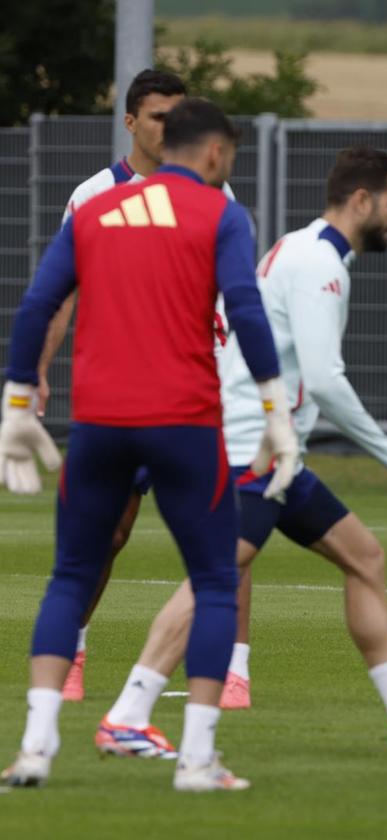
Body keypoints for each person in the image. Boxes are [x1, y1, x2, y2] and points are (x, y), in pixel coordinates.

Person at [94, 146, 387, 759]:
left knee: (365, 558)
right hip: (253, 452)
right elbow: (325, 378)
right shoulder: (319, 263)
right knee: (214, 579)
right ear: (362, 201)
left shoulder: (304, 248)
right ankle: (127, 713)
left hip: (279, 455)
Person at [1, 98, 298, 792]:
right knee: (216, 579)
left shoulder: (96, 210)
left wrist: (17, 401)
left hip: (100, 424)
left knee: (69, 577)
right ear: (216, 154)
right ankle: (196, 759)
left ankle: (35, 747)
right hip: (185, 423)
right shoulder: (221, 212)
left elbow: (37, 305)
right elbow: (245, 308)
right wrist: (274, 406)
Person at [39, 69, 247, 706]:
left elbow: (237, 299)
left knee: (231, 538)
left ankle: (233, 669)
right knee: (109, 532)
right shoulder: (95, 195)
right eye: (158, 115)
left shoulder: (218, 192)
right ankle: (71, 652)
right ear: (130, 122)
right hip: (124, 396)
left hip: (201, 395)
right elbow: (55, 299)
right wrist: (36, 376)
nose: (170, 126)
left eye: (179, 114)